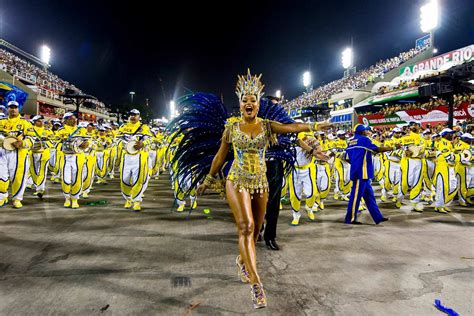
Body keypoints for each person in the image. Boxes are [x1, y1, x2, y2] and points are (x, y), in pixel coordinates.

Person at [196, 70, 331, 308]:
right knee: (246, 226)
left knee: (256, 231)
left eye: (253, 100)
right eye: (244, 100)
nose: (249, 103)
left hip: (261, 181)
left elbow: (293, 128)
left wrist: (315, 125)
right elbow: (220, 155)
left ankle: (242, 260)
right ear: (239, 104)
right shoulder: (231, 127)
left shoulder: (268, 126)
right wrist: (208, 179)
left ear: (259, 104)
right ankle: (257, 285)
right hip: (236, 179)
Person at [344, 124, 392, 225]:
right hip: (362, 173)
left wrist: (356, 163)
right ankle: (350, 219)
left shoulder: (350, 141)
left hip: (358, 171)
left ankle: (377, 217)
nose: (367, 132)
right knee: (355, 197)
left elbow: (346, 158)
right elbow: (376, 149)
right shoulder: (364, 139)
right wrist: (390, 148)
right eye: (366, 130)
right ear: (362, 132)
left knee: (370, 197)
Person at [0, 101, 34, 208]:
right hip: (2, 152)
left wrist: (23, 143)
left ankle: (17, 199)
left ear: (18, 109)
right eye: (11, 107)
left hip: (19, 153)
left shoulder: (26, 123)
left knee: (18, 177)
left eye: (15, 107)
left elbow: (32, 138)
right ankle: (2, 197)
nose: (13, 109)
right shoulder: (1, 121)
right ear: (7, 109)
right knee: (1, 176)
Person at [117, 109, 152, 211]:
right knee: (124, 179)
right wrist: (124, 145)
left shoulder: (144, 128)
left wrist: (143, 144)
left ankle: (137, 201)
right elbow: (117, 139)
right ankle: (128, 199)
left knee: (138, 180)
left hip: (139, 157)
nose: (133, 117)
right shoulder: (123, 127)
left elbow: (150, 140)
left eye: (135, 115)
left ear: (139, 116)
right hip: (126, 156)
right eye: (131, 115)